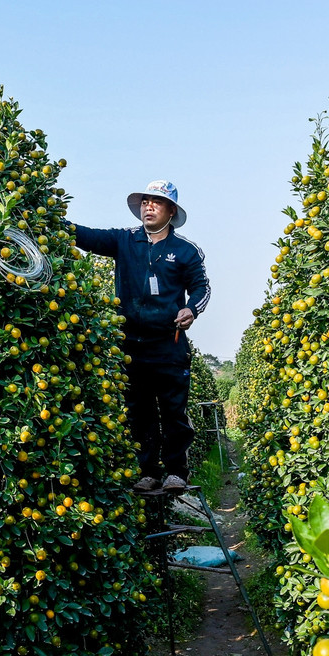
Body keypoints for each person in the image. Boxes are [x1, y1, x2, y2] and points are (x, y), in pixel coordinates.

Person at [67, 179, 211, 492]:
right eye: (145, 201)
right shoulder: (124, 241)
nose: (149, 206)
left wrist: (191, 310)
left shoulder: (185, 250)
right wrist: (52, 219)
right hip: (131, 344)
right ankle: (148, 471)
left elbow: (202, 288)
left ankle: (176, 471)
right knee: (140, 410)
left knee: (173, 411)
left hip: (168, 345)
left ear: (170, 210)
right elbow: (85, 236)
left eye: (156, 202)